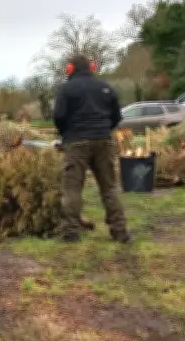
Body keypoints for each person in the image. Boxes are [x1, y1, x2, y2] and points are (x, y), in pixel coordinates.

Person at [53, 55, 131, 244]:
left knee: (72, 188)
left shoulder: (66, 90)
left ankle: (71, 232)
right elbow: (116, 116)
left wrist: (66, 135)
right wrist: (103, 131)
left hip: (76, 142)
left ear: (70, 69)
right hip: (103, 140)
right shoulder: (105, 88)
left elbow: (58, 116)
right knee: (109, 188)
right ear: (92, 68)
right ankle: (120, 231)